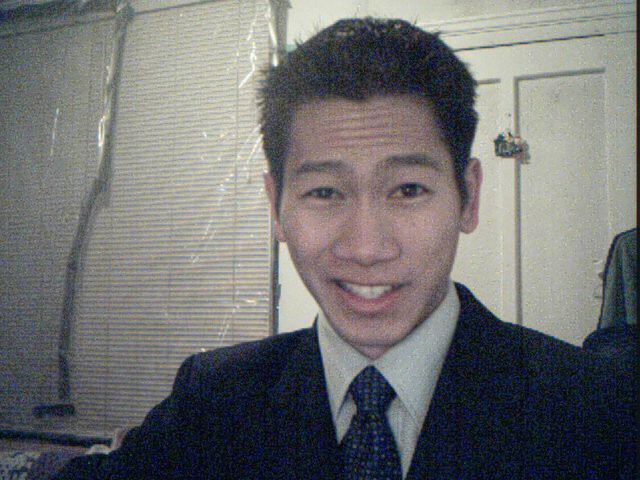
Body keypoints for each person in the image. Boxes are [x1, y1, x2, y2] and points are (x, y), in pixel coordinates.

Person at [55, 18, 636, 479]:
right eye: (325, 192)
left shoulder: (594, 408)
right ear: (276, 205)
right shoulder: (216, 400)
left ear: (468, 198)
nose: (365, 247)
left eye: (408, 189)